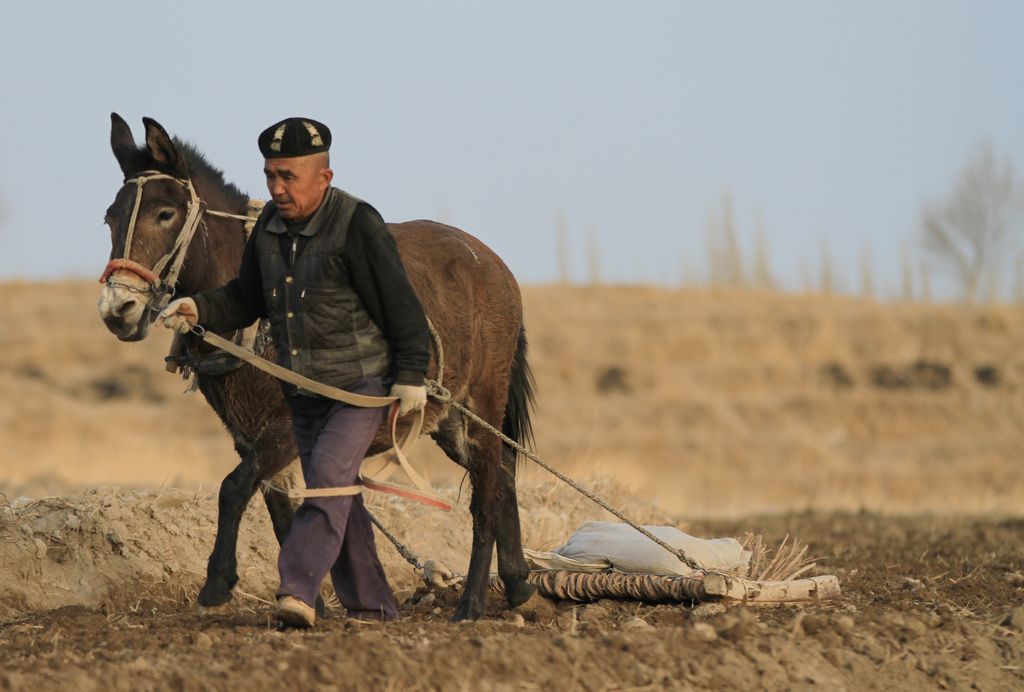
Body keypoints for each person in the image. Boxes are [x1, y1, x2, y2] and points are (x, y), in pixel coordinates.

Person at [158, 117, 430, 628]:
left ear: (323, 178)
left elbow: (403, 308)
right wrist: (199, 307)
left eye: (288, 177)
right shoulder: (268, 228)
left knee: (325, 483)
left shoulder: (357, 224)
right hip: (302, 390)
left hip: (357, 386)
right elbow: (245, 298)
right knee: (341, 493)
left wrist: (411, 376)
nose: (276, 189)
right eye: (269, 176)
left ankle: (297, 590)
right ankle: (374, 609)